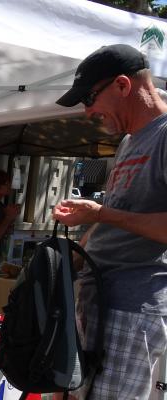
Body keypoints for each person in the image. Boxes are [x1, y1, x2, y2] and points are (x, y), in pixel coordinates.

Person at [52, 44, 167, 399]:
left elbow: (113, 215)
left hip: (133, 306)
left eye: (90, 98)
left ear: (122, 85)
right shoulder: (130, 141)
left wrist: (100, 213)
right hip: (96, 295)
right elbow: (114, 216)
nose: (88, 112)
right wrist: (70, 259)